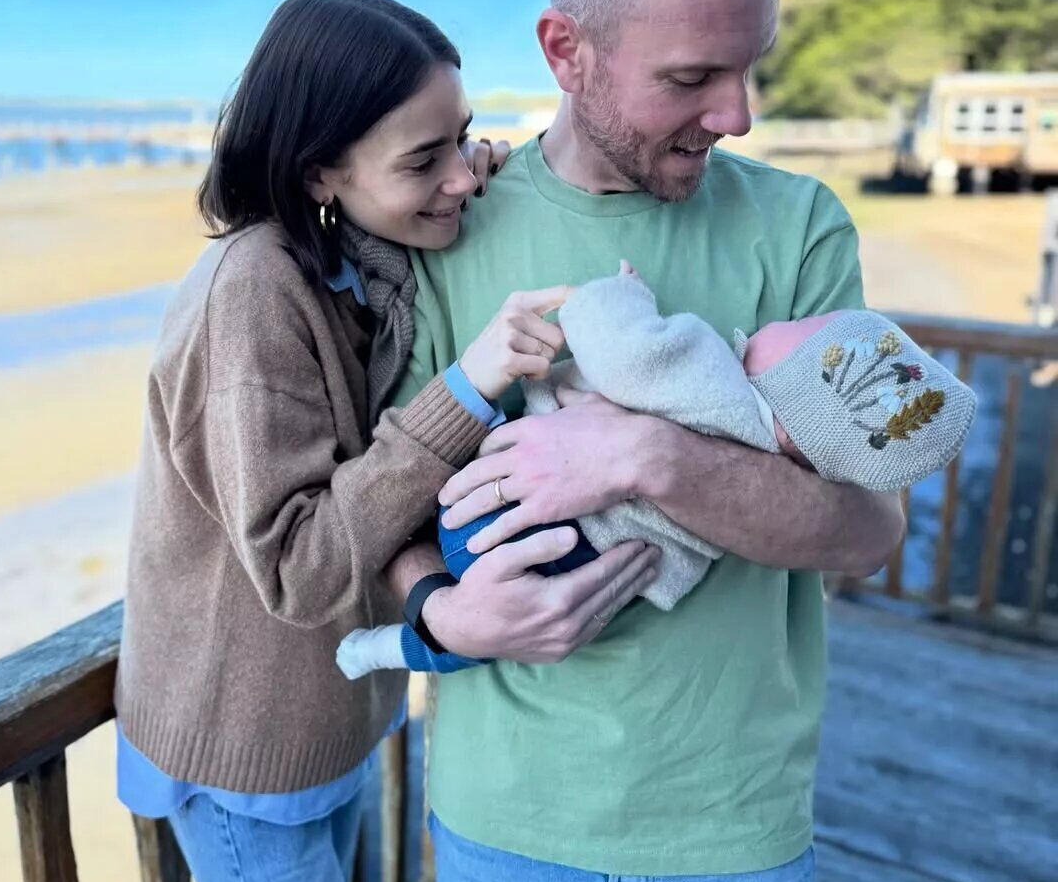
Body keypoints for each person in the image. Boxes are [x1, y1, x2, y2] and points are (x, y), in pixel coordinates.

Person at [384, 0, 908, 882]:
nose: (738, 113)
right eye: (692, 75)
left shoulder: (801, 228)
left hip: (735, 832)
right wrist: (437, 604)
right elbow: (379, 506)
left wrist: (642, 451)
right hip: (499, 822)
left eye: (751, 63)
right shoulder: (449, 229)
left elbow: (869, 530)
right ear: (566, 50)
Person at [113, 0, 659, 882]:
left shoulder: (348, 256)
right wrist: (468, 383)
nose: (458, 175)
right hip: (238, 749)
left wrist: (470, 179)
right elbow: (304, 562)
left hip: (332, 720)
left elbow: (395, 306)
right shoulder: (251, 288)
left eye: (463, 139)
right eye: (424, 161)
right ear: (319, 168)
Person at [338, 266, 975, 678]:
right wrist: (441, 615)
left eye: (805, 330)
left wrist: (620, 294)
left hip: (495, 515)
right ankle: (389, 651)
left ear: (795, 391)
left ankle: (396, 643)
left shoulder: (711, 373)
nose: (790, 319)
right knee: (472, 643)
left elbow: (621, 348)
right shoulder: (776, 458)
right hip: (580, 577)